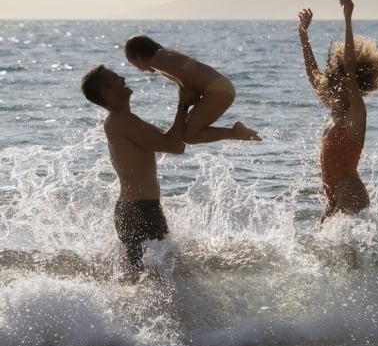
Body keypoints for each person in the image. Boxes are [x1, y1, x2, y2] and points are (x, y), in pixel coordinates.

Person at [81, 65, 188, 282]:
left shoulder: (122, 120)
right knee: (151, 280)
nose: (122, 77)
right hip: (140, 210)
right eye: (115, 78)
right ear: (107, 92)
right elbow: (175, 145)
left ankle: (128, 315)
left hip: (137, 209)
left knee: (144, 278)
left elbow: (172, 140)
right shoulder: (122, 121)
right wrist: (184, 103)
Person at [298, 0, 378, 221]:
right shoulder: (335, 110)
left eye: (343, 82)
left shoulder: (356, 113)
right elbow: (313, 75)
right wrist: (303, 35)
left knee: (353, 255)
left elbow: (350, 68)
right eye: (335, 80)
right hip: (333, 197)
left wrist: (348, 19)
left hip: (350, 192)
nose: (337, 85)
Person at [124, 35, 261, 144]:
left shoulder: (156, 60)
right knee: (186, 135)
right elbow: (185, 74)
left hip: (217, 91)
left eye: (134, 64)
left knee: (189, 136)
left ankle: (236, 132)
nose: (138, 69)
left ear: (138, 56)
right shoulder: (162, 56)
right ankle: (237, 133)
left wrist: (187, 94)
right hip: (220, 88)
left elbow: (184, 75)